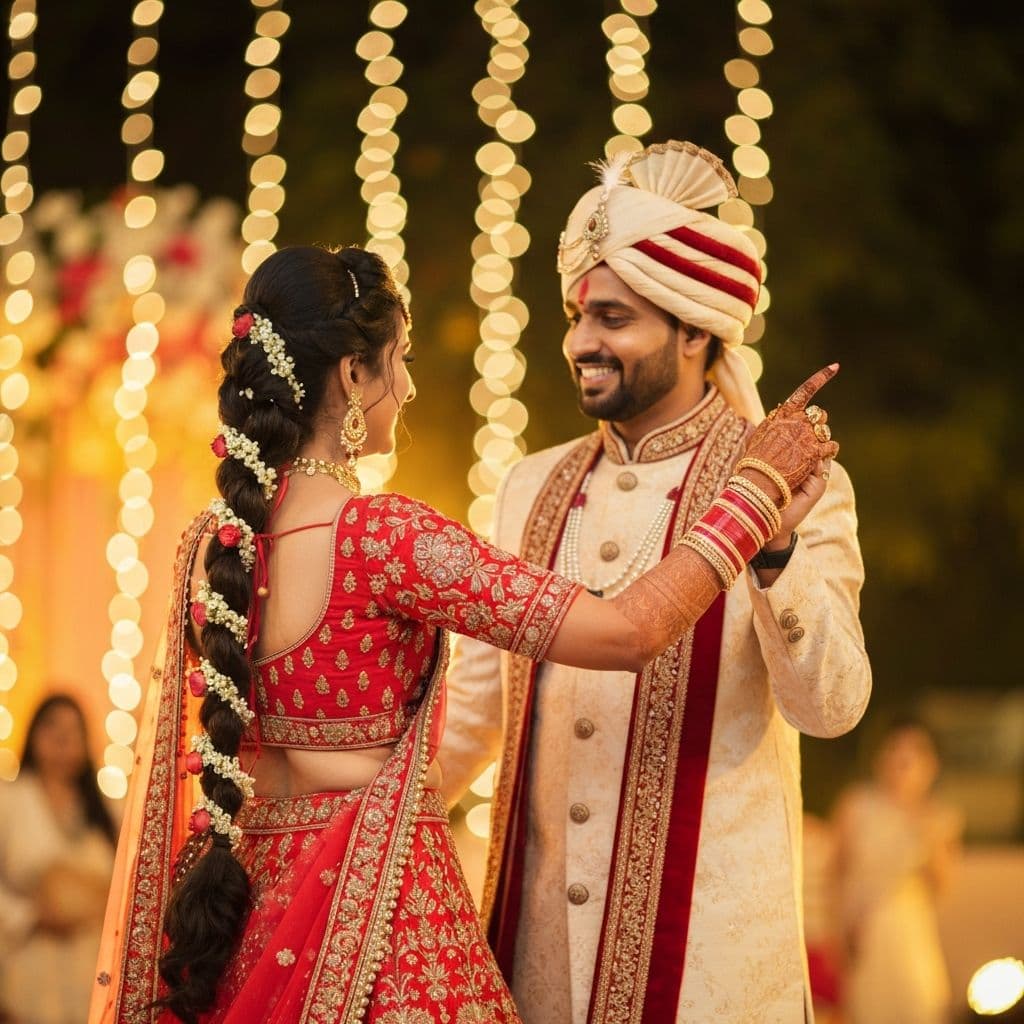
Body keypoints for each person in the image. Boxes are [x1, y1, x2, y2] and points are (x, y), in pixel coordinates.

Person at [89, 243, 837, 1024]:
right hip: (388, 933)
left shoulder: (208, 546)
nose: (407, 387)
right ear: (352, 375)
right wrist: (753, 496)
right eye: (398, 360)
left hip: (243, 924)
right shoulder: (384, 538)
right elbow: (625, 634)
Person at [438, 140, 873, 1023]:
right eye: (576, 316)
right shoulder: (531, 483)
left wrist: (774, 555)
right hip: (537, 972)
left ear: (694, 328)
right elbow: (472, 718)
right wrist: (326, 812)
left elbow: (832, 707)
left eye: (612, 319)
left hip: (714, 975)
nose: (581, 343)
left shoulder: (791, 481)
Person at [833, 718, 962, 1024]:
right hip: (864, 934)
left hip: (911, 933)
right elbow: (835, 877)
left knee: (919, 1006)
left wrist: (923, 827)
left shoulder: (939, 817)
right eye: (895, 748)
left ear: (931, 764)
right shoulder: (856, 806)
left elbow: (942, 887)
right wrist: (837, 938)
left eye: (915, 751)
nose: (903, 759)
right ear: (879, 756)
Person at [0, 694, 117, 1024]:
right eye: (52, 725)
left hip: (93, 971)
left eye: (73, 729)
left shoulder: (106, 811)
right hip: (28, 965)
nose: (63, 737)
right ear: (34, 733)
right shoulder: (9, 800)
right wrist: (31, 917)